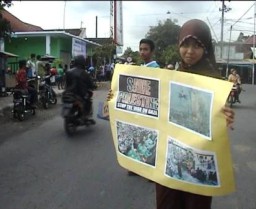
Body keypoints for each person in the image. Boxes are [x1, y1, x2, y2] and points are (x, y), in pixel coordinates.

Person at [155, 19, 235, 209]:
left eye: (197, 46)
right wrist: (117, 99)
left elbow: (217, 118)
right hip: (168, 161)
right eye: (185, 45)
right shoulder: (168, 77)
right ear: (178, 45)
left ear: (206, 48)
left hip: (199, 159)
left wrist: (225, 117)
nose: (189, 51)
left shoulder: (215, 82)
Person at [65, 55, 95, 121]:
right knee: (88, 101)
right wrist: (93, 86)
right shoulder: (84, 73)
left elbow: (67, 84)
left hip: (68, 93)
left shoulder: (68, 72)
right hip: (80, 94)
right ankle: (86, 114)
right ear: (83, 62)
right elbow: (90, 84)